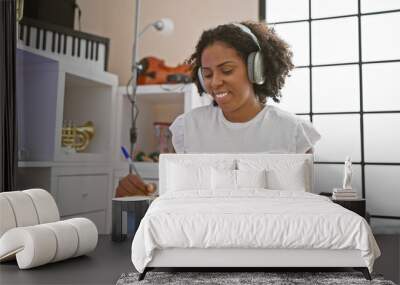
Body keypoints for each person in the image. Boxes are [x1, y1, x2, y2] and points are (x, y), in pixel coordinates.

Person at [116, 20, 320, 196]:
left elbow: (305, 207)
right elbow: (174, 197)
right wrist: (145, 193)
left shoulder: (294, 133)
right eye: (207, 74)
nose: (215, 82)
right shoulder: (187, 128)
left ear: (255, 69)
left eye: (226, 70)